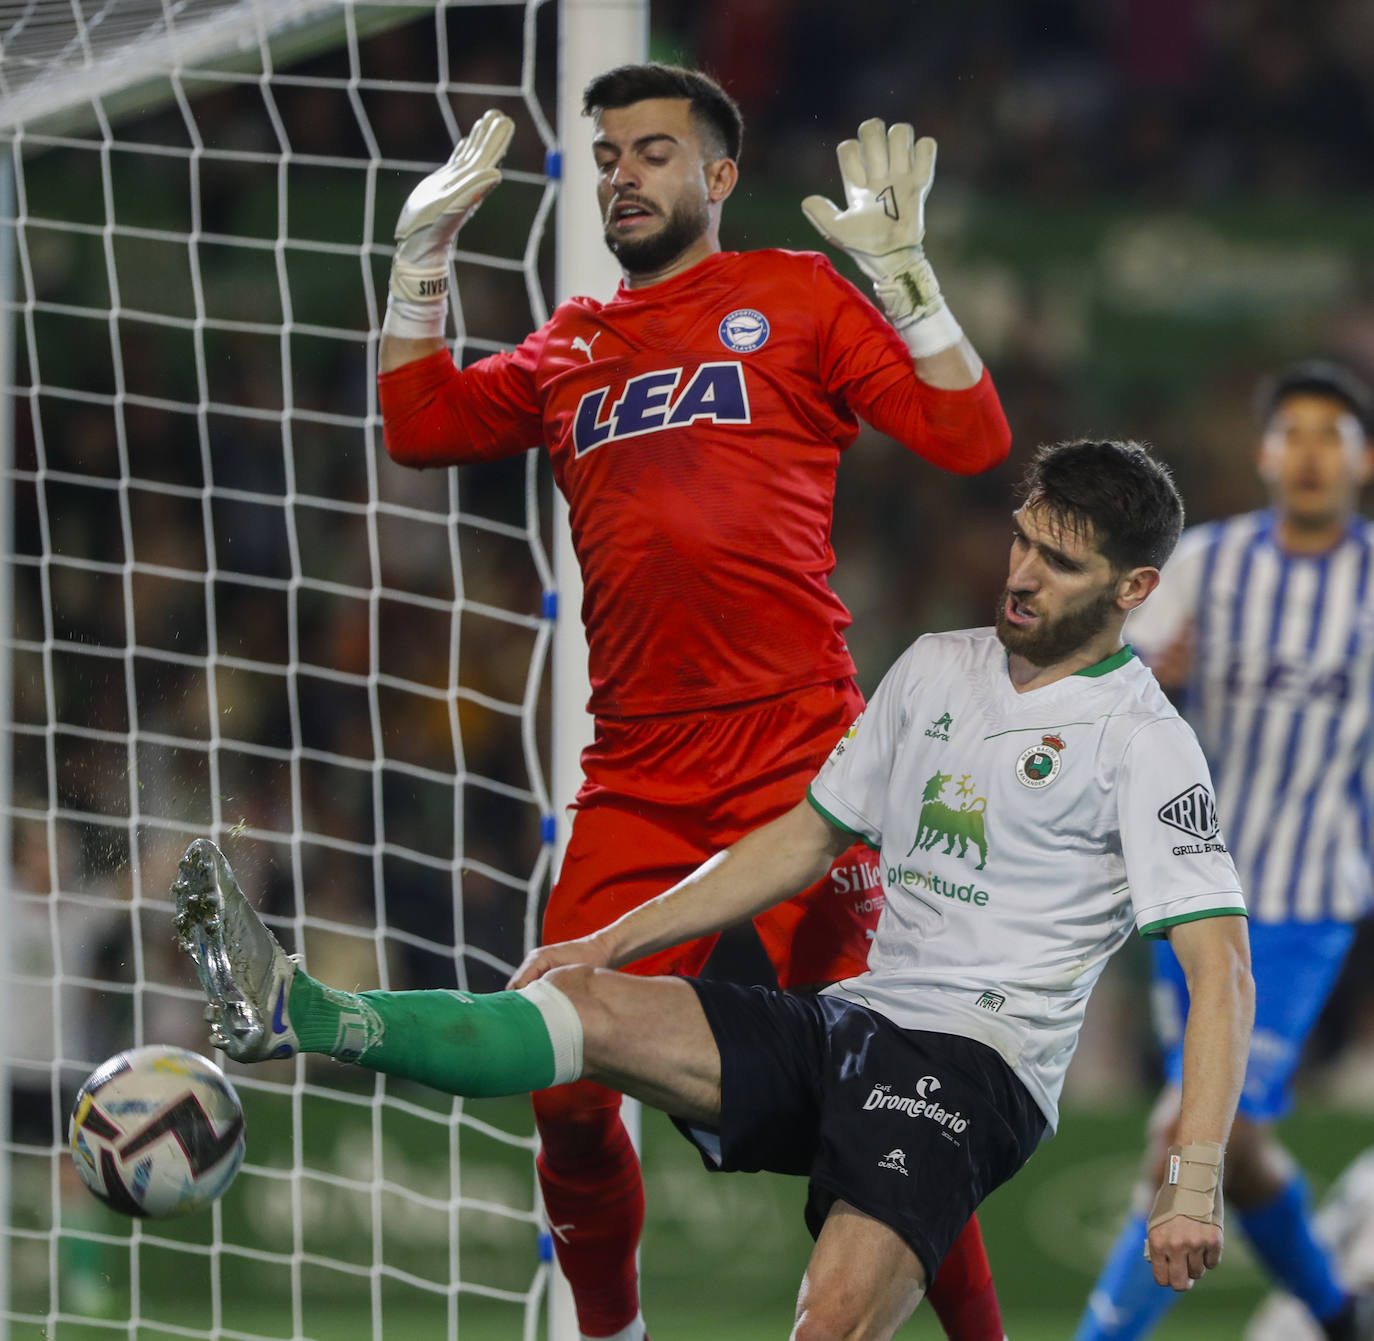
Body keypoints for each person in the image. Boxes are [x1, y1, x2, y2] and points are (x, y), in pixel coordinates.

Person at [176, 438, 1255, 1341]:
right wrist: (607, 939)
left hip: (977, 1069)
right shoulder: (938, 665)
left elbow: (1223, 975)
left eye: (1057, 564)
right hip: (853, 1022)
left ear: (1134, 589)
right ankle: (302, 1012)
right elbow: (798, 842)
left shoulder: (1145, 744)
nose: (1019, 574)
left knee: (826, 1322)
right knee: (581, 1010)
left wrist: (1194, 1178)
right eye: (1020, 540)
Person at [376, 62, 1011, 1341]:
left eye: (653, 151)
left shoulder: (792, 295)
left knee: (884, 1098)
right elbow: (420, 424)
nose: (621, 173)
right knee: (561, 1072)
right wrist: (420, 263)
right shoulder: (570, 345)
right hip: (638, 781)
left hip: (805, 763)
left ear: (717, 177)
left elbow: (971, 441)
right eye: (608, 154)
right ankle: (609, 1332)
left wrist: (913, 290)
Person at [1073, 361, 1374, 1341]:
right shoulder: (1209, 561)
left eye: (1334, 435)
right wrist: (1155, 669)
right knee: (1235, 1152)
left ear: (1363, 461)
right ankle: (1339, 1312)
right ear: (1265, 454)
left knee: (1191, 1134)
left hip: (1306, 905)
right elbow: (1120, 676)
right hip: (1190, 891)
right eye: (1295, 434)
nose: (1313, 453)